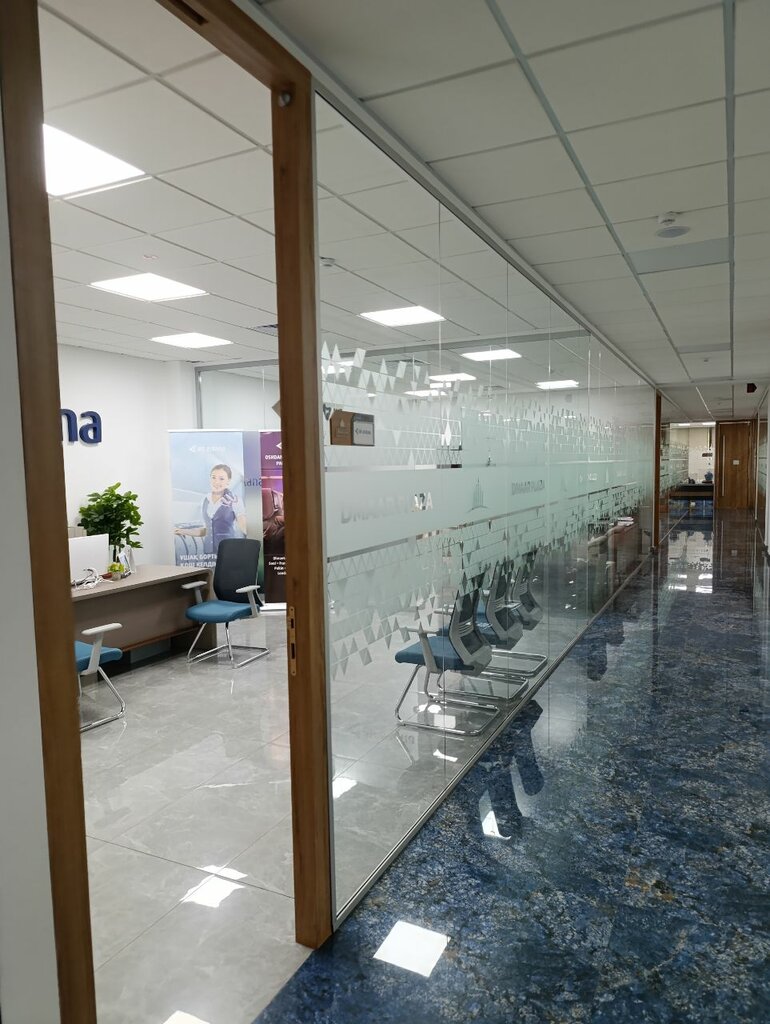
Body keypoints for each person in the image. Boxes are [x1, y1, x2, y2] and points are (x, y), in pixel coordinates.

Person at [175, 463, 246, 554]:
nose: (216, 482)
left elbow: (243, 526)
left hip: (228, 551)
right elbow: (205, 531)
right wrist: (183, 531)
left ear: (228, 481)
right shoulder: (205, 500)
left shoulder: (235, 500)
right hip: (208, 553)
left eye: (221, 479)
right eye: (213, 477)